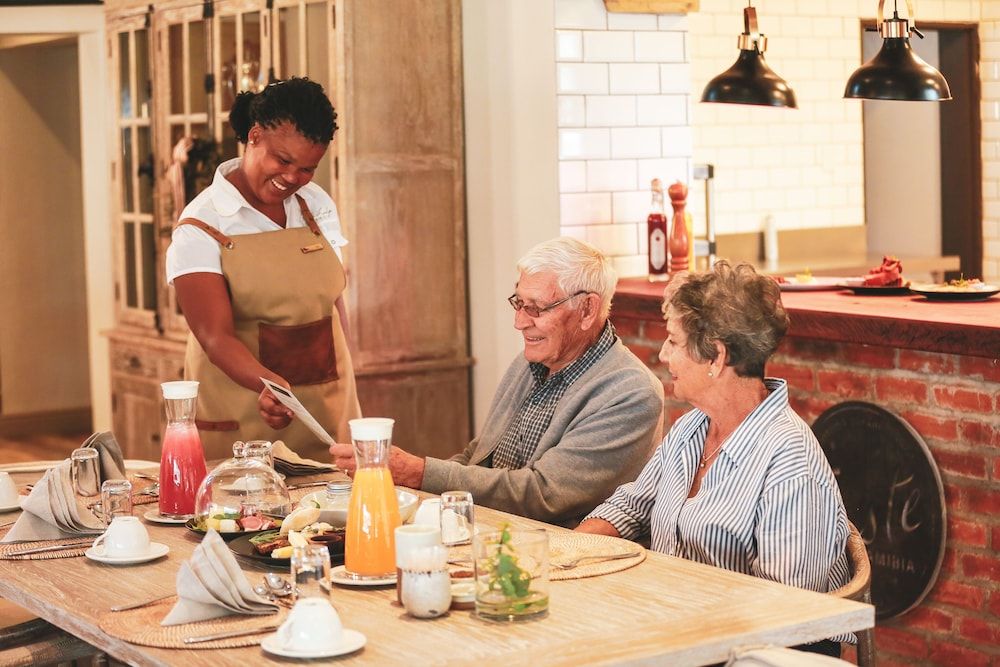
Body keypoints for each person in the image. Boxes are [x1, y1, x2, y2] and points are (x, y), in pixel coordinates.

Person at [577, 261, 851, 657]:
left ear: (716, 357)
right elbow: (630, 508)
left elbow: (785, 612)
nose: (662, 354)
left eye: (673, 342)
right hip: (678, 634)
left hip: (753, 654)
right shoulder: (692, 428)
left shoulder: (790, 462)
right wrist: (564, 555)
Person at [331, 237, 664, 527]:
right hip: (494, 533)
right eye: (519, 303)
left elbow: (543, 495)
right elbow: (479, 455)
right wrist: (414, 493)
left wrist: (419, 473)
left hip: (565, 556)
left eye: (536, 308)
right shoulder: (532, 361)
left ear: (588, 310)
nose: (520, 322)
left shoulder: (631, 393)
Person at [165, 77, 360, 460]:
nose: (292, 178)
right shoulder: (201, 224)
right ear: (254, 136)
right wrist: (270, 385)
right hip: (245, 413)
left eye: (307, 168)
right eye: (283, 160)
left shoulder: (315, 204)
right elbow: (215, 338)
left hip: (327, 409)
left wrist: (351, 372)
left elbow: (333, 301)